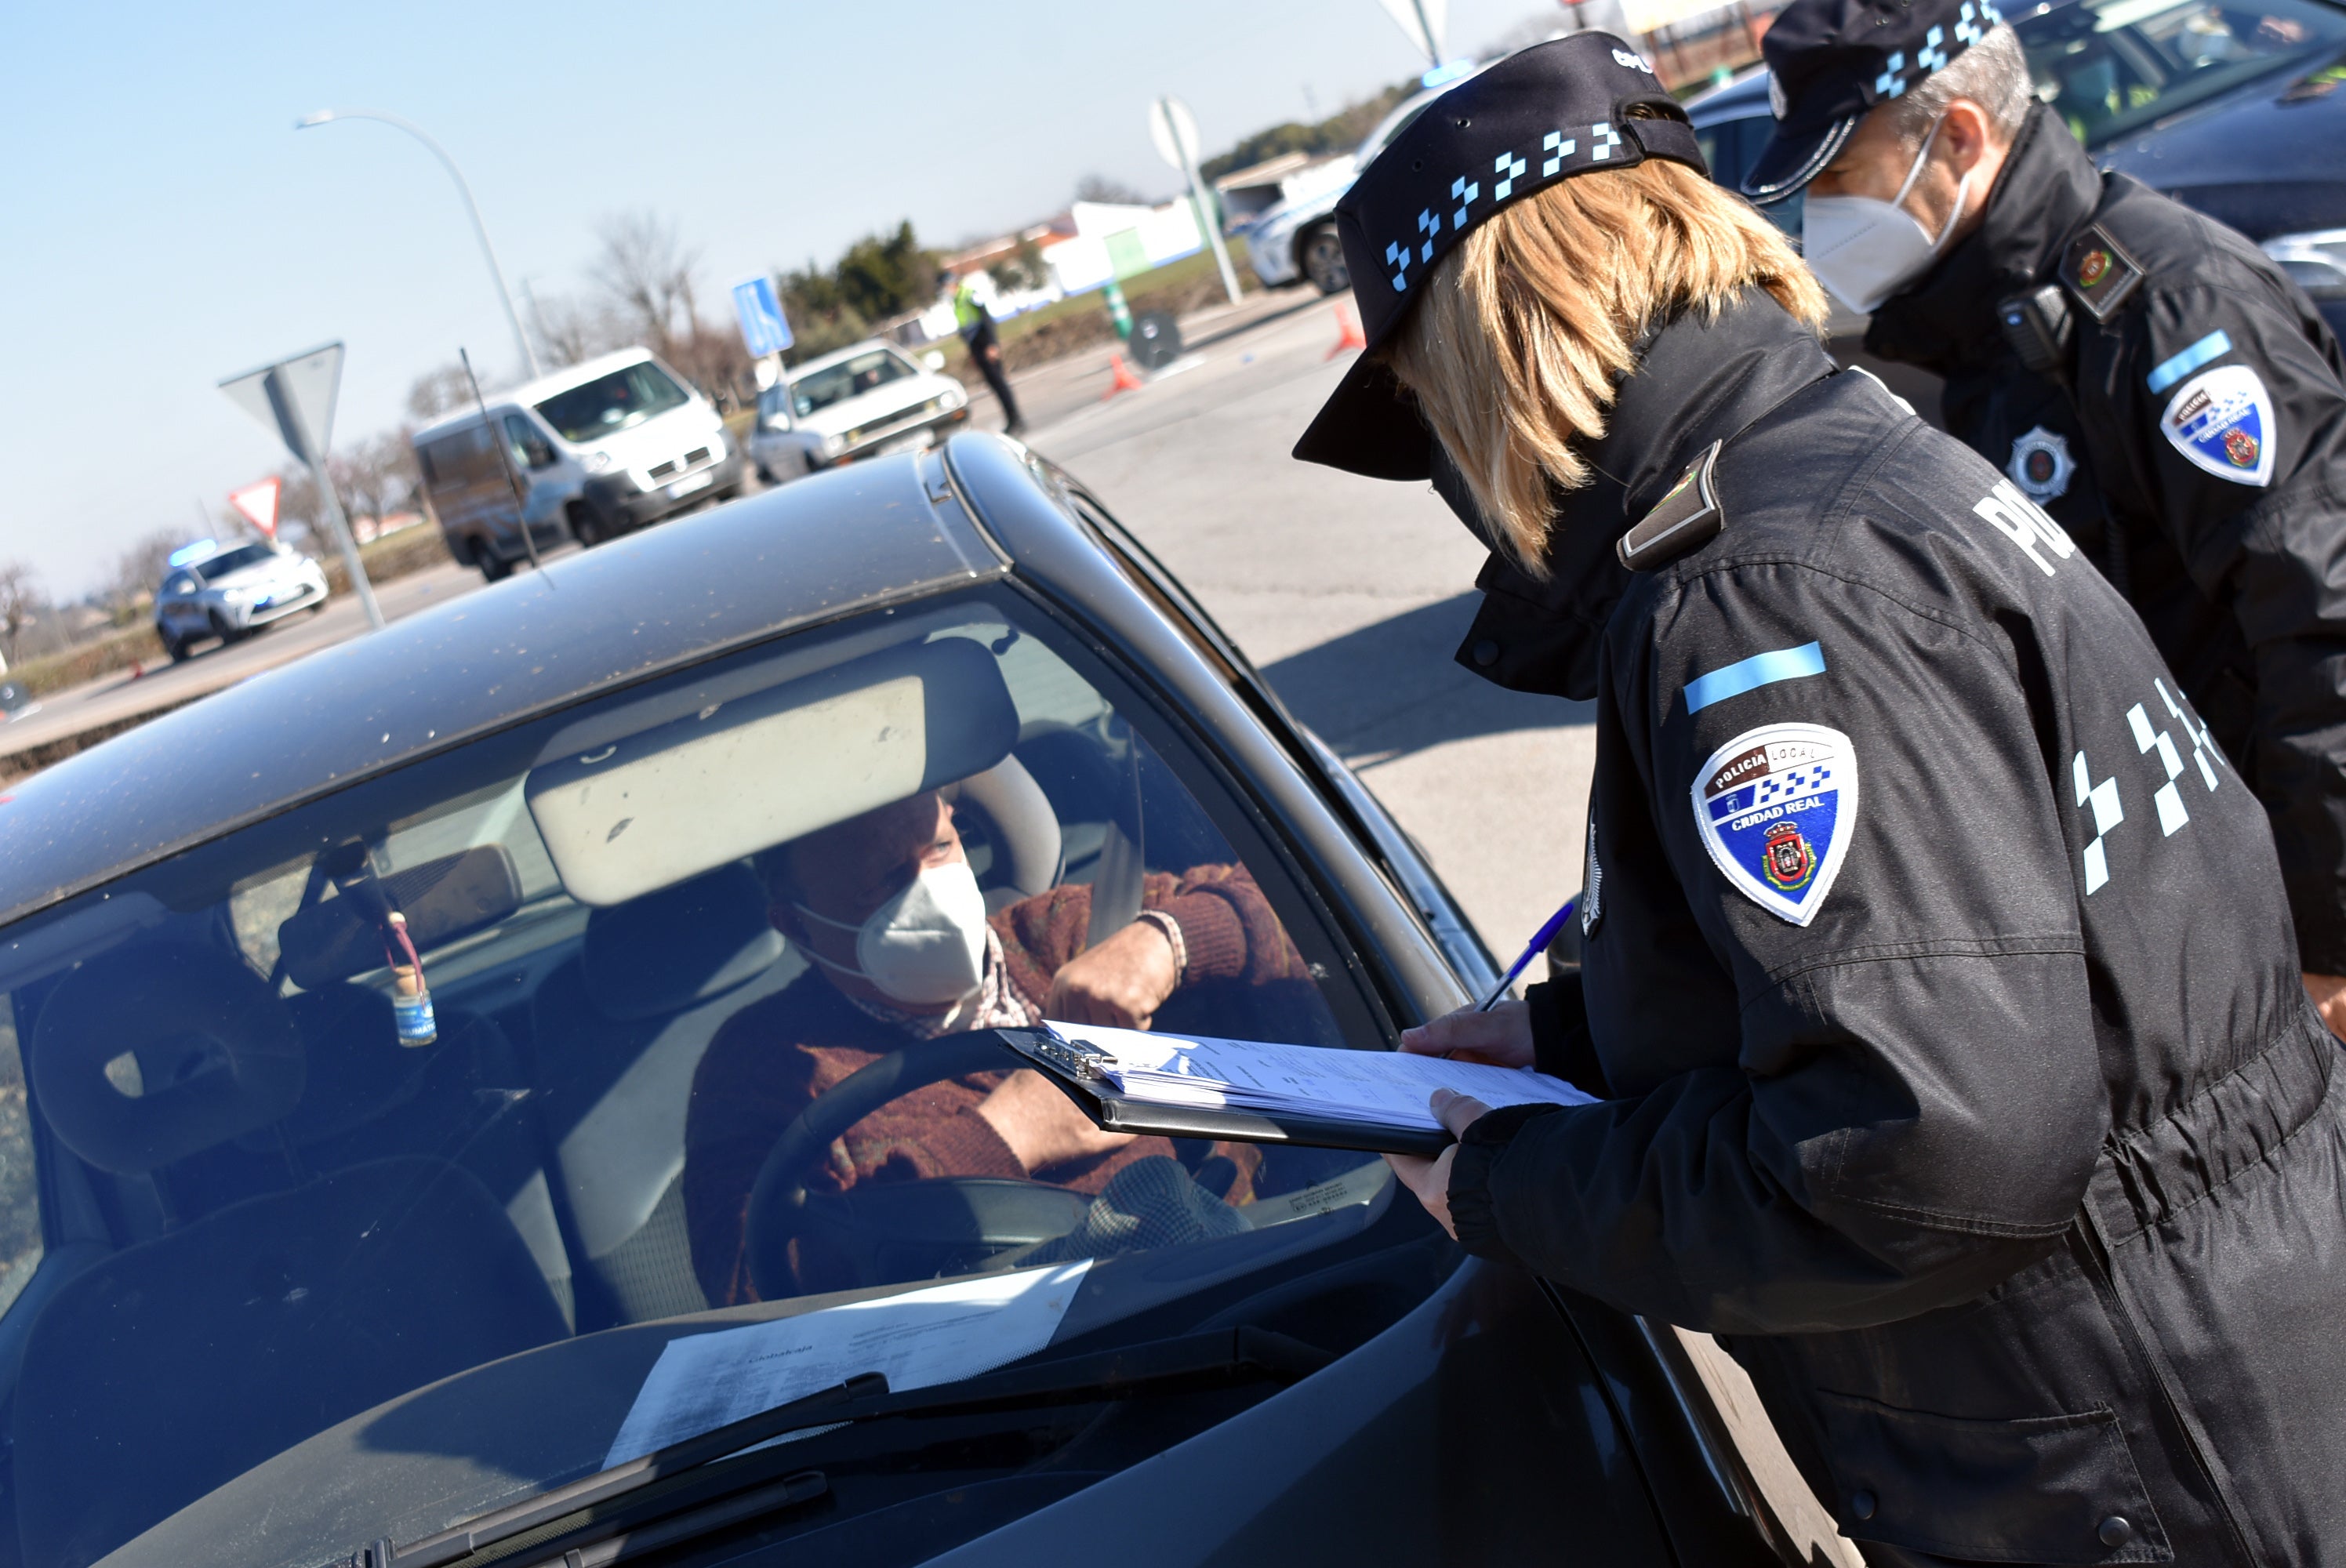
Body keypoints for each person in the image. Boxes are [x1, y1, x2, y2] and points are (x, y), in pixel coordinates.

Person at [1291, 34, 2346, 1564]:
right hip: (2201, 1364)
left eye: (1423, 411)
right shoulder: (1830, 464)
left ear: (1487, 350)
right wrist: (1573, 1040)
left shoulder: (1754, 594)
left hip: (2141, 1443)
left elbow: (1923, 1147)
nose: (1453, 470)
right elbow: (1961, 948)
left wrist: (1516, 1183)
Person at [1743, 0, 2346, 1034]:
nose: (1821, 223)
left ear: (1961, 134)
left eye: (1841, 180)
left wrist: (2333, 938)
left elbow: (2323, 624)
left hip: (2291, 927)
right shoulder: (1993, 334)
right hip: (2197, 913)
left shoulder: (2167, 309)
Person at [681, 781, 1311, 1304]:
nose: (933, 888)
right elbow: (751, 1295)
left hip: (1260, 1274)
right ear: (798, 925)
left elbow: (1311, 904)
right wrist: (1006, 1134)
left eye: (939, 848)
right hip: (1038, 1383)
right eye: (887, 881)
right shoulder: (766, 1067)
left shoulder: (1070, 928)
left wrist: (1169, 941)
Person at [946, 270, 1026, 436]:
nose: (946, 290)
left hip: (985, 344)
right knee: (994, 386)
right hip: (976, 347)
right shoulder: (957, 300)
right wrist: (973, 354)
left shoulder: (969, 294)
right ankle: (1011, 419)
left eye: (946, 286)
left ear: (953, 283)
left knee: (1000, 383)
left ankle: (1017, 420)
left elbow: (986, 319)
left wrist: (992, 345)